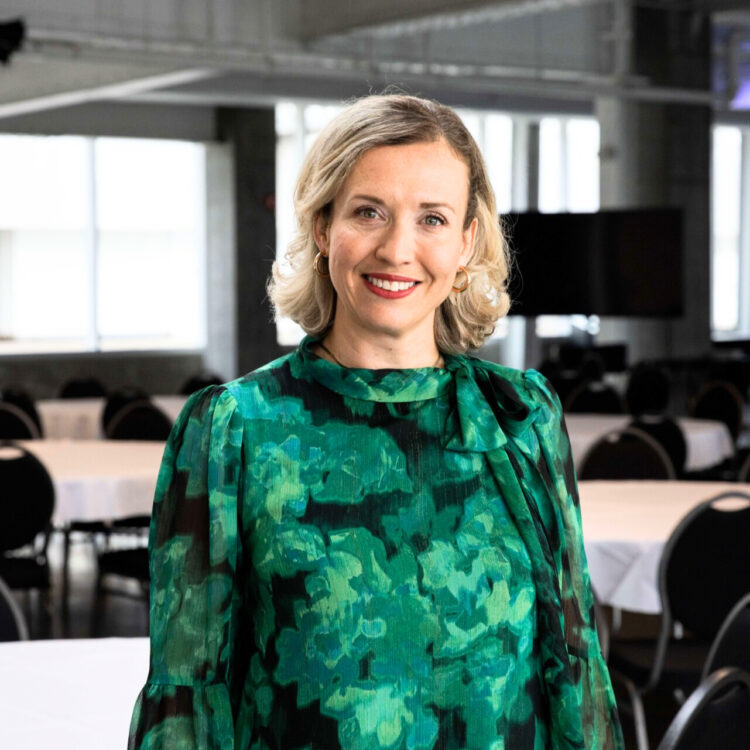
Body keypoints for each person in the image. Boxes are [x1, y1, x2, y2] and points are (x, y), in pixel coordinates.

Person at [128, 94, 623, 749]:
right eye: (369, 212)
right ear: (323, 225)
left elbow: (573, 662)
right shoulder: (234, 430)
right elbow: (189, 694)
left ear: (467, 241)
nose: (397, 249)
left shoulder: (520, 417)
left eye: (432, 219)